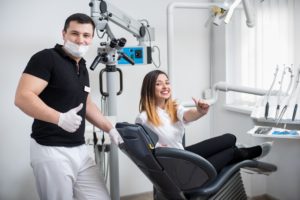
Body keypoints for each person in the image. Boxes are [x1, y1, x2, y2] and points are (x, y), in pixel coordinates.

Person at [15, 13, 123, 200]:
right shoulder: (46, 58)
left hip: (79, 149)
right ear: (63, 33)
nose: (80, 40)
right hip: (51, 149)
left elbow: (86, 104)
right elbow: (23, 97)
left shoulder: (82, 66)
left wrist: (109, 128)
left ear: (92, 38)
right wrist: (60, 118)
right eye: (75, 33)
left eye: (86, 35)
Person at [135, 69, 272, 173]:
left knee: (230, 138)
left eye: (167, 82)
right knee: (231, 152)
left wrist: (200, 111)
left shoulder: (173, 107)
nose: (165, 86)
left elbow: (188, 115)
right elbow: (141, 150)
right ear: (149, 89)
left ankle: (238, 151)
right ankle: (244, 155)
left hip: (183, 154)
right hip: (177, 167)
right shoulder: (143, 118)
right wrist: (156, 149)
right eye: (159, 84)